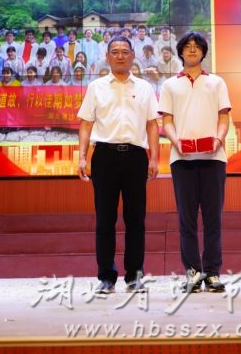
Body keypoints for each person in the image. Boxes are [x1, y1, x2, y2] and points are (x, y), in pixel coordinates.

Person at [77, 36, 160, 295]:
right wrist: (82, 157)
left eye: (125, 51)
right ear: (107, 56)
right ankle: (106, 277)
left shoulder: (145, 87)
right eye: (115, 52)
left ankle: (134, 276)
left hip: (135, 157)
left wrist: (154, 158)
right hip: (104, 157)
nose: (120, 56)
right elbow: (86, 124)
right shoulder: (96, 87)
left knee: (136, 220)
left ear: (133, 55)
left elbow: (152, 124)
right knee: (105, 219)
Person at [158, 31, 231, 293]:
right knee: (186, 219)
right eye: (187, 46)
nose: (192, 50)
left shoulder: (216, 82)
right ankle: (193, 272)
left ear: (203, 51)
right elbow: (166, 121)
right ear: (180, 52)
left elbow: (224, 117)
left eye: (197, 46)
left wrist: (219, 139)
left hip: (214, 159)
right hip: (182, 160)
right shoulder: (170, 85)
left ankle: (212, 273)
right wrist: (176, 142)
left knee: (213, 218)